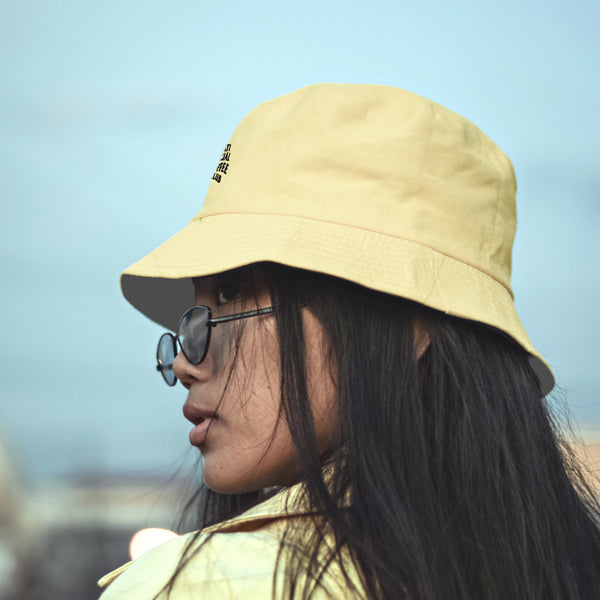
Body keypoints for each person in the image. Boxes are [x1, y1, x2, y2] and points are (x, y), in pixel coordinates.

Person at [98, 84, 600, 599]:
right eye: (191, 318)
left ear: (403, 330)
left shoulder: (204, 585)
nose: (184, 362)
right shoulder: (563, 570)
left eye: (230, 293)